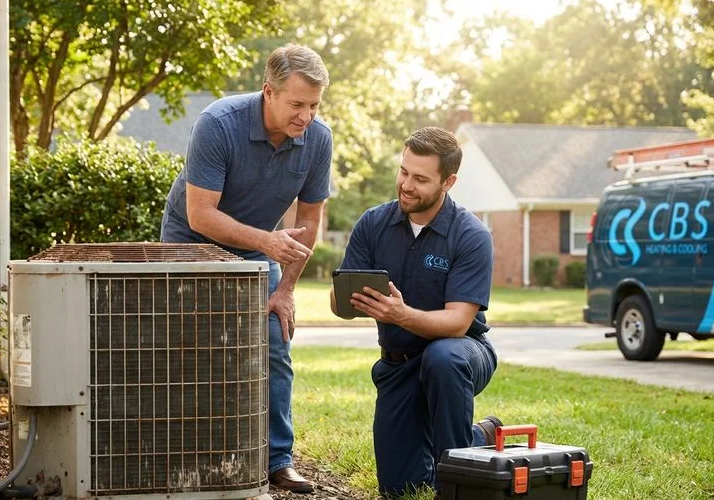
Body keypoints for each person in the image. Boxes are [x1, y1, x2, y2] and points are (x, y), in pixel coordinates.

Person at [161, 43, 332, 494]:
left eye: (314, 106)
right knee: (186, 346)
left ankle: (278, 460)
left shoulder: (318, 139)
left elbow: (309, 223)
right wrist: (267, 241)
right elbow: (201, 215)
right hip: (190, 241)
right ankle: (181, 452)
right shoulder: (219, 123)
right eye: (297, 104)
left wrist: (286, 290)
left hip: (260, 249)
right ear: (268, 92)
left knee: (275, 341)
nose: (306, 117)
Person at [330, 127, 501, 497]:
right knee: (398, 487)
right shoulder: (373, 224)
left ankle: (456, 484)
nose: (406, 185)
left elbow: (457, 323)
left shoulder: (470, 235)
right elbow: (339, 306)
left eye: (420, 178)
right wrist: (345, 299)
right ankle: (477, 436)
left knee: (442, 357)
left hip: (461, 353)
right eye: (404, 171)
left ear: (448, 181)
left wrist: (400, 314)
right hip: (398, 364)